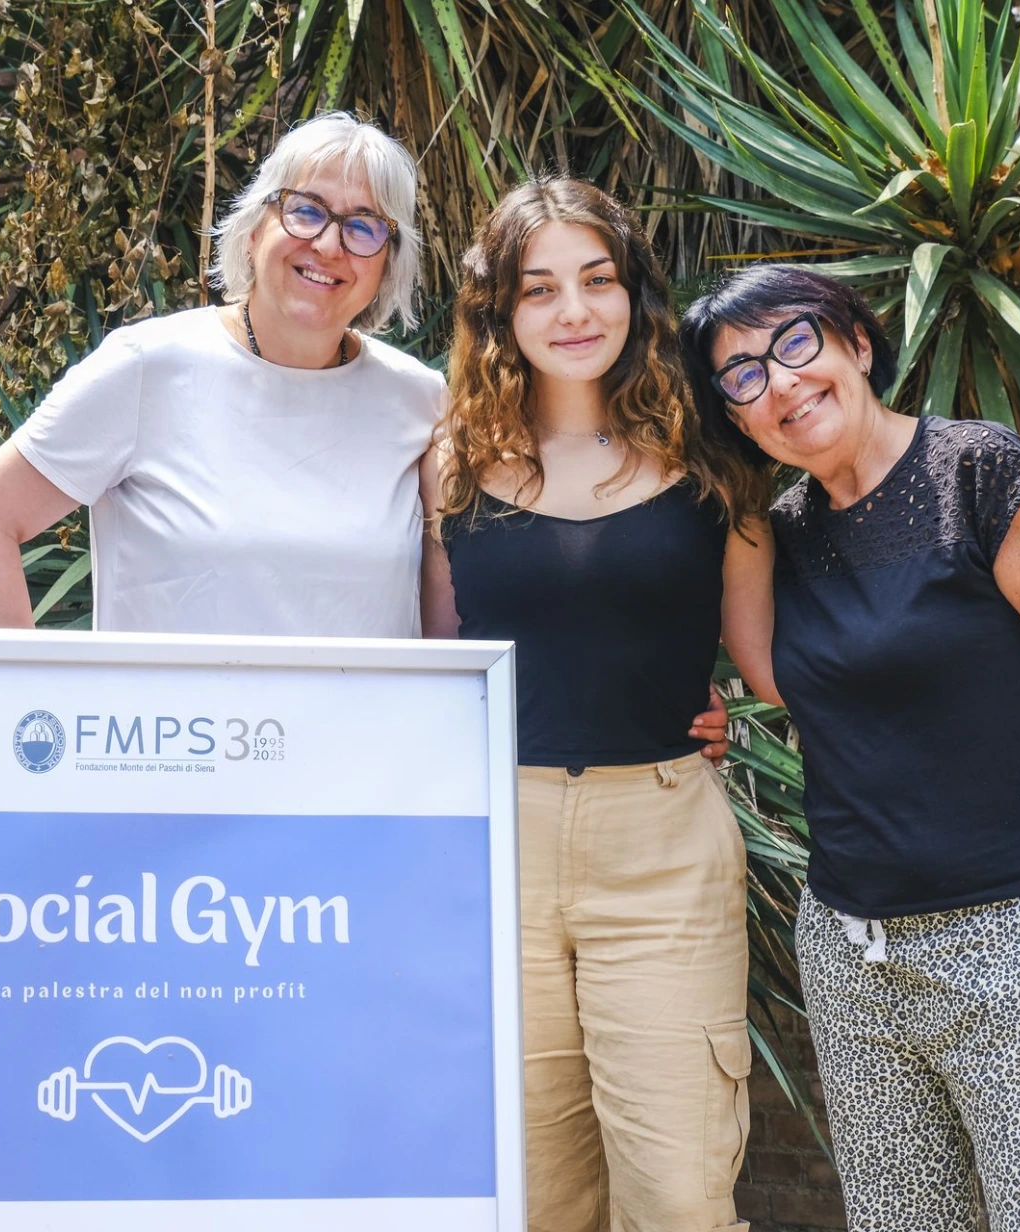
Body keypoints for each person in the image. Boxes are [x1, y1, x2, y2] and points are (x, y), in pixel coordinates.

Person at [680, 266, 1020, 1232]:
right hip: (855, 956)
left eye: (796, 342)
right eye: (744, 377)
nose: (781, 382)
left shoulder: (978, 472)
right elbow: (769, 675)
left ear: (856, 341)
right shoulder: (782, 533)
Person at [429, 177, 769, 1232]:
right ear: (500, 311)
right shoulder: (449, 464)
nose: (573, 311)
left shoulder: (715, 460)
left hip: (663, 843)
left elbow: (771, 662)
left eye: (597, 280)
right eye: (539, 289)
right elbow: (438, 671)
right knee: (537, 1192)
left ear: (635, 294)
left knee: (680, 1192)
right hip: (503, 847)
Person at [0, 111, 444, 637]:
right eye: (305, 211)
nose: (327, 245)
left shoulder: (420, 402)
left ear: (387, 266)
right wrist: (28, 686)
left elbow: (453, 628)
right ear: (255, 229)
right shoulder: (148, 367)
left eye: (363, 226)